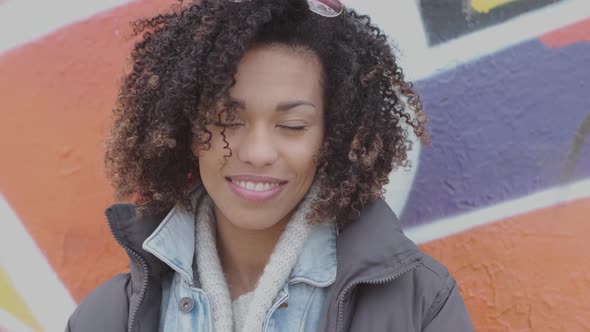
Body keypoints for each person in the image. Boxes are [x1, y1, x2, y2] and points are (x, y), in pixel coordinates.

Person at [65, 0, 474, 331]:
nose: (258, 152)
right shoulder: (107, 318)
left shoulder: (421, 306)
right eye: (227, 119)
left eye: (292, 125)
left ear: (333, 137)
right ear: (186, 130)